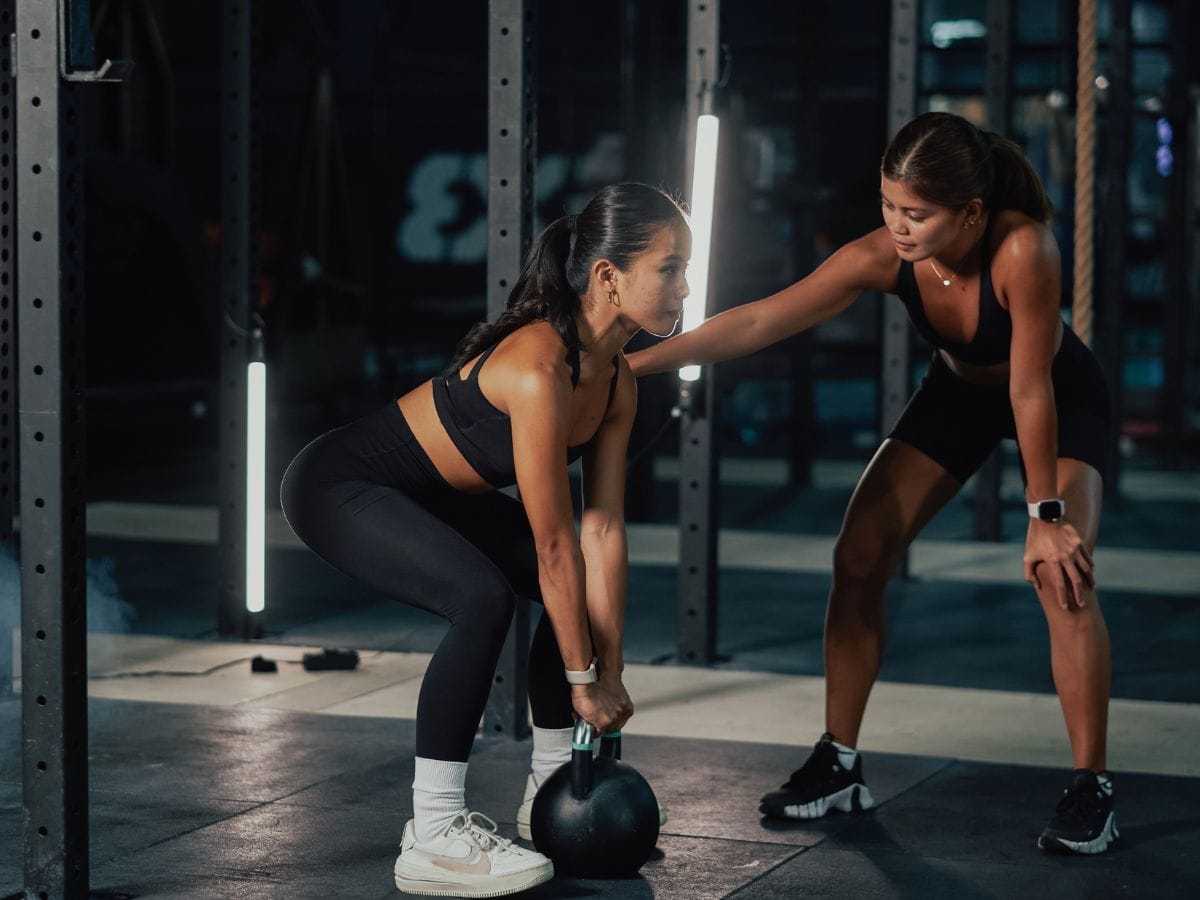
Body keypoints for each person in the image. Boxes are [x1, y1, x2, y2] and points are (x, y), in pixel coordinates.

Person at [628, 112, 1117, 855]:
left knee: (1062, 574)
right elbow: (760, 321)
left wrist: (1045, 514)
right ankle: (839, 764)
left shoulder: (1025, 248)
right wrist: (630, 365)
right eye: (888, 205)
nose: (898, 225)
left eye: (916, 213)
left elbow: (1030, 389)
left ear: (971, 213)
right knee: (857, 554)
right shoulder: (884, 255)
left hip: (1057, 396)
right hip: (959, 395)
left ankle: (1093, 787)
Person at [281, 182, 691, 897]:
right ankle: (434, 833)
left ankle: (556, 790)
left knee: (565, 596)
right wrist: (583, 680)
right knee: (482, 598)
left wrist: (611, 671)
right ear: (608, 276)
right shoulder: (538, 368)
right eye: (671, 268)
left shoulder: (618, 381)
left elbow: (602, 530)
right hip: (338, 485)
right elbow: (556, 544)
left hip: (433, 494)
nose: (685, 287)